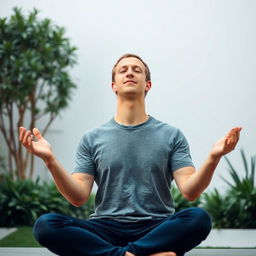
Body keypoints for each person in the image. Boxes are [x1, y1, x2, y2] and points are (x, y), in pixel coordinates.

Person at [19, 53, 241, 256]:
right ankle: (137, 254)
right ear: (114, 85)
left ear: (148, 84)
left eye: (137, 69)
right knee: (46, 225)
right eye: (123, 69)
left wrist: (214, 157)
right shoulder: (92, 138)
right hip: (105, 227)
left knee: (198, 219)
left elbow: (190, 191)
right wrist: (50, 160)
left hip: (157, 226)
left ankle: (118, 254)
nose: (130, 72)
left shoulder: (172, 135)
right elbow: (78, 196)